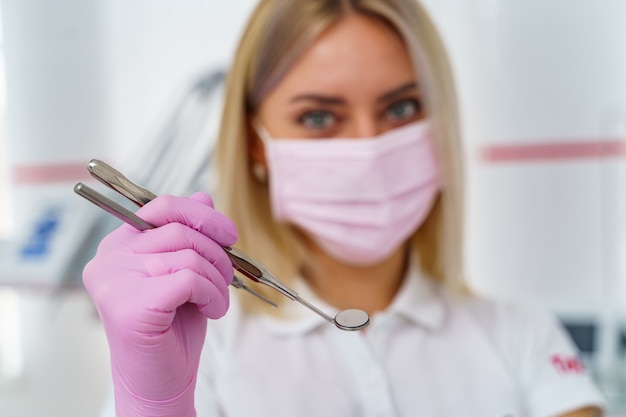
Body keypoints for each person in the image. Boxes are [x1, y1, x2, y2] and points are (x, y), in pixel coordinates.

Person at [84, 1, 606, 416]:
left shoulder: (521, 335)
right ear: (255, 144)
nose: (369, 147)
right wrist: (155, 407)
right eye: (318, 117)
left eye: (401, 108)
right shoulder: (206, 353)